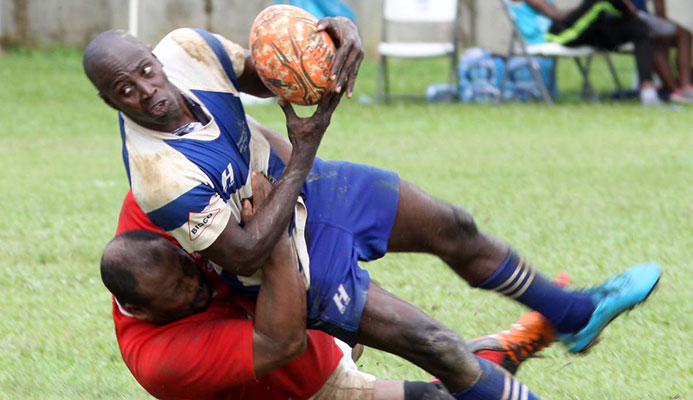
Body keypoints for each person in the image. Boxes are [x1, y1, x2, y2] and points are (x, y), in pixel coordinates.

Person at [83, 20, 661, 399]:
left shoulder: (188, 49)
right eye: (125, 90)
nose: (146, 89)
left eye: (145, 70)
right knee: (436, 346)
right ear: (110, 101)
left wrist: (326, 45)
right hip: (285, 264)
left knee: (453, 225)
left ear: (153, 56)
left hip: (304, 188)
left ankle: (571, 313)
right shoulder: (159, 176)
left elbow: (272, 76)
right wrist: (306, 147)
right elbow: (247, 251)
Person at [103, 176, 557, 400]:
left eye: (188, 268)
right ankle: (515, 343)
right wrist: (276, 241)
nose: (196, 282)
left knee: (432, 346)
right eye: (180, 294)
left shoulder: (157, 207)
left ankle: (518, 338)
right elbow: (283, 342)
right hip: (294, 377)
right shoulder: (164, 360)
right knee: (437, 394)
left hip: (291, 312)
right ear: (139, 310)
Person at [515, 0, 660, 105]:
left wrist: (581, 11)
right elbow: (555, 15)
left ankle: (648, 91)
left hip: (581, 32)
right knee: (599, 3)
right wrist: (582, 10)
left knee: (638, 28)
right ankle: (626, 9)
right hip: (556, 34)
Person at [631, 0, 693, 103]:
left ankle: (679, 89)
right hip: (635, 17)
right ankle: (679, 89)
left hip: (641, 16)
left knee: (680, 35)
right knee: (663, 40)